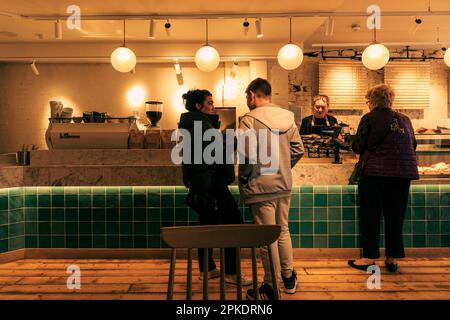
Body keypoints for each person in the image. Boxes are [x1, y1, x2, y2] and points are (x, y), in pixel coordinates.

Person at [238, 78, 305, 300]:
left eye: (247, 96)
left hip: (260, 185)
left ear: (252, 95)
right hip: (283, 184)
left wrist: (245, 177)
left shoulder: (248, 120)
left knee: (267, 238)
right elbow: (298, 149)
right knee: (282, 230)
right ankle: (288, 278)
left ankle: (270, 287)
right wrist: (283, 167)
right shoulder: (288, 118)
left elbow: (246, 155)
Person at [178, 89, 251, 286]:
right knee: (234, 226)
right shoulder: (203, 127)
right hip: (213, 186)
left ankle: (207, 269)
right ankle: (232, 273)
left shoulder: (193, 125)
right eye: (209, 103)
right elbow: (219, 156)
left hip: (202, 187)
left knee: (207, 228)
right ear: (198, 106)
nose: (213, 106)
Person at [348, 84, 419, 272]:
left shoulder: (369, 118)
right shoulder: (405, 119)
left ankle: (369, 258)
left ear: (372, 101)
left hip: (374, 174)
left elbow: (358, 146)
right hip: (402, 175)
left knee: (370, 215)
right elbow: (413, 144)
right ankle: (392, 258)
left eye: (368, 101)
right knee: (395, 216)